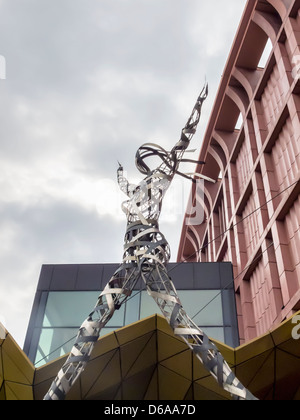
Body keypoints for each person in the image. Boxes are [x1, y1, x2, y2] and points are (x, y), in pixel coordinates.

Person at [44, 85, 257, 400]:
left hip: (150, 254)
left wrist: (197, 105)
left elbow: (182, 141)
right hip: (130, 259)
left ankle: (241, 394)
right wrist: (118, 172)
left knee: (182, 325)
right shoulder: (133, 192)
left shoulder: (161, 178)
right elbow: (123, 184)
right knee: (90, 326)